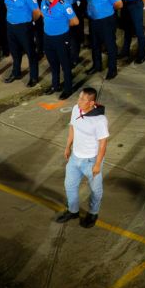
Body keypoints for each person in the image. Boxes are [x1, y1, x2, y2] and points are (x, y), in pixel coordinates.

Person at [57, 87, 109, 228]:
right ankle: (73, 211)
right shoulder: (76, 109)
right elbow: (72, 128)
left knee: (95, 190)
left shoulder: (100, 120)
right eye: (79, 97)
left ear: (92, 103)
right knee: (69, 185)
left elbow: (103, 144)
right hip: (75, 157)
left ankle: (93, 212)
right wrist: (68, 146)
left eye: (83, 99)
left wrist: (97, 164)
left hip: (91, 161)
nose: (79, 101)